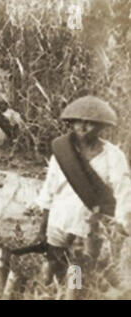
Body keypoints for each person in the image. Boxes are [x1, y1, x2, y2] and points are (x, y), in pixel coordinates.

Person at [34, 96, 131, 293]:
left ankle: (74, 296)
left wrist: (120, 224)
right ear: (71, 123)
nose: (83, 127)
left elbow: (124, 192)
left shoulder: (113, 156)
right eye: (79, 122)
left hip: (88, 226)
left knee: (76, 272)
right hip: (58, 220)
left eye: (90, 123)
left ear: (101, 127)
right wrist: (42, 228)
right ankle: (45, 294)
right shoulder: (62, 152)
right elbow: (49, 190)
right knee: (51, 267)